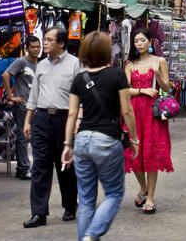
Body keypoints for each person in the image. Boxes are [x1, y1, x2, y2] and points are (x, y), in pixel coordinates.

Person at [61, 32, 139, 241]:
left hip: (82, 140)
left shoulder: (79, 79)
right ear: (108, 52)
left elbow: (72, 113)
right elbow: (127, 110)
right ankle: (92, 235)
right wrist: (134, 139)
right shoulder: (117, 75)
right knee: (113, 194)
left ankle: (85, 238)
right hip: (107, 139)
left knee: (86, 199)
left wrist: (67, 144)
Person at [23, 27, 81, 228]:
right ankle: (39, 213)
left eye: (49, 40)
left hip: (65, 119)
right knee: (40, 167)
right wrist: (28, 120)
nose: (44, 43)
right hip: (42, 119)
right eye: (44, 39)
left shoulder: (75, 64)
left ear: (61, 43)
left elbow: (81, 97)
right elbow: (34, 95)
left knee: (65, 166)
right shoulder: (41, 65)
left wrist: (77, 123)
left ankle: (69, 205)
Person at [124, 28, 173, 214]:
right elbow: (124, 90)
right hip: (134, 112)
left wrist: (157, 74)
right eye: (136, 41)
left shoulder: (159, 61)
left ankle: (150, 197)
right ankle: (143, 187)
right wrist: (141, 91)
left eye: (143, 40)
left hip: (153, 113)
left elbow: (167, 88)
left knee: (152, 154)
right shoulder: (130, 64)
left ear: (150, 42)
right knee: (133, 152)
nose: (139, 43)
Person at [2, 35, 41, 180]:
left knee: (34, 138)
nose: (36, 49)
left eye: (38, 46)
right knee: (23, 138)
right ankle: (23, 168)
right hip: (22, 106)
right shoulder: (21, 62)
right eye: (33, 47)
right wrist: (10, 96)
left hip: (36, 106)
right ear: (26, 48)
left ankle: (28, 167)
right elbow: (5, 74)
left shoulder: (40, 64)